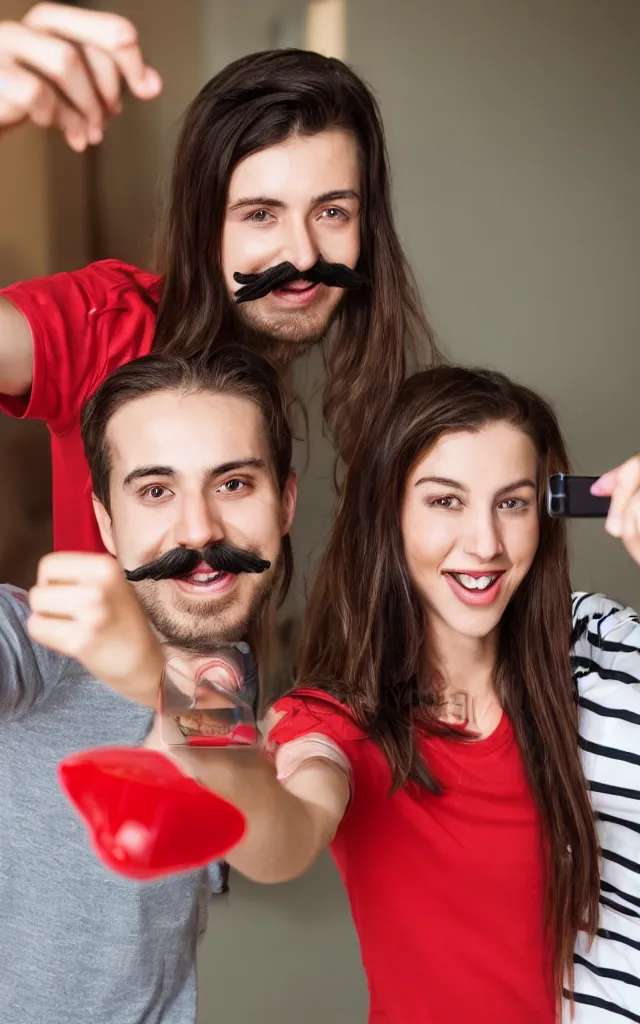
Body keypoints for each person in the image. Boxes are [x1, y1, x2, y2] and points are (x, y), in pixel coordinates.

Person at [136, 366, 640, 1023]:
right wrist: (188, 693)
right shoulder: (338, 720)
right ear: (389, 514)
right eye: (445, 501)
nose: (485, 544)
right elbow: (279, 842)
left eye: (511, 503)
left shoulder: (592, 651)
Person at [0, 2, 438, 555]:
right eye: (260, 214)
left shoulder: (381, 388)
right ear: (204, 225)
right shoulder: (106, 326)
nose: (302, 254)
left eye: (331, 213)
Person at [0, 344, 296, 1024]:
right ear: (106, 521)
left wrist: (154, 676)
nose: (198, 529)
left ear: (286, 503)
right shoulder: (39, 632)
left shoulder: (228, 674)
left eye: (233, 484)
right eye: (156, 491)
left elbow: (214, 765)